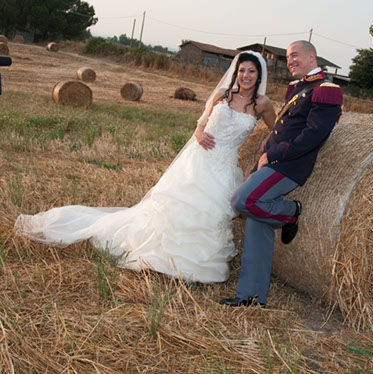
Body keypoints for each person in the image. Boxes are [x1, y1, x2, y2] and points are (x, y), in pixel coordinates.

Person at [13, 51, 276, 283]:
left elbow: (278, 131)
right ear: (236, 72)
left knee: (211, 214)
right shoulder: (222, 94)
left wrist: (265, 144)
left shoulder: (263, 104)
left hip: (225, 165)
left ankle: (191, 265)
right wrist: (198, 132)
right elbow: (202, 121)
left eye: (251, 71)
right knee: (176, 207)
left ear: (259, 74)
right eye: (241, 70)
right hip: (199, 159)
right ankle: (158, 256)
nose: (245, 75)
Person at [219, 40, 343, 307]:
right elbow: (287, 126)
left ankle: (289, 213)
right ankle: (251, 297)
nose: (290, 61)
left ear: (312, 56)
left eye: (295, 55)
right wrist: (267, 144)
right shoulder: (299, 88)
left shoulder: (326, 90)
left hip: (289, 165)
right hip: (272, 161)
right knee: (257, 225)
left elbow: (313, 135)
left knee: (243, 201)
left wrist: (274, 154)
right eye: (288, 57)